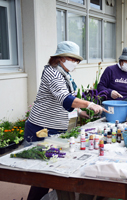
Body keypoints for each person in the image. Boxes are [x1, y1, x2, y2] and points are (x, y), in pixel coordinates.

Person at [24, 41, 107, 200]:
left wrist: (78, 111)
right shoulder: (52, 73)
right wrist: (89, 104)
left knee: (49, 168)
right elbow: (64, 98)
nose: (75, 63)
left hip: (55, 127)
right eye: (72, 59)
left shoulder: (64, 74)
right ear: (61, 58)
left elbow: (62, 98)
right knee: (43, 171)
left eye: (77, 60)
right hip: (42, 127)